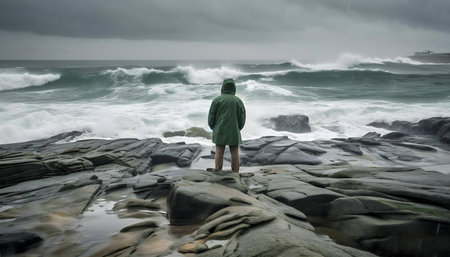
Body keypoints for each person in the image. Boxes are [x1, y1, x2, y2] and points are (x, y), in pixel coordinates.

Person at [208, 78, 246, 172]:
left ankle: (218, 170)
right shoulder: (238, 101)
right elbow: (242, 117)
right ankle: (235, 172)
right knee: (235, 151)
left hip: (220, 129)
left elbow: (211, 116)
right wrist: (238, 127)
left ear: (223, 87)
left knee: (219, 151)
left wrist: (213, 127)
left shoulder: (217, 100)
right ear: (234, 87)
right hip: (234, 130)